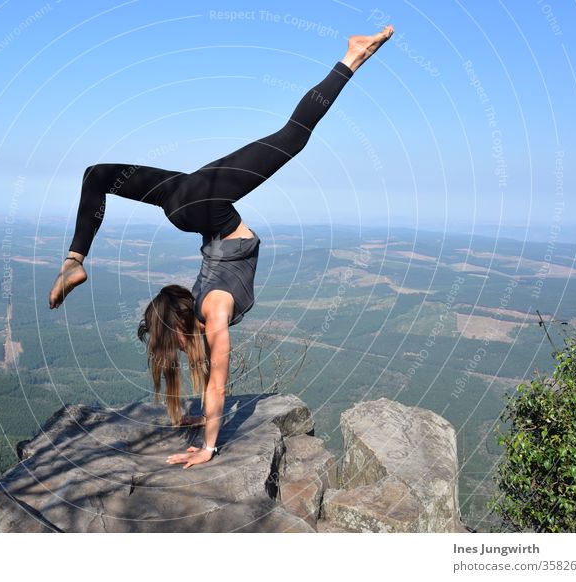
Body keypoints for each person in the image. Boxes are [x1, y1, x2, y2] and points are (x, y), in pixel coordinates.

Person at [49, 25, 394, 468]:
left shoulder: (211, 311)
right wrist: (195, 419)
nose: (173, 350)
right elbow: (209, 378)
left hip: (199, 206)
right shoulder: (201, 307)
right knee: (97, 174)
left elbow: (216, 383)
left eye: (169, 345)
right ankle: (73, 260)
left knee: (292, 135)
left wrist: (209, 447)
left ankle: (352, 57)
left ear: (177, 329)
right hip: (189, 203)